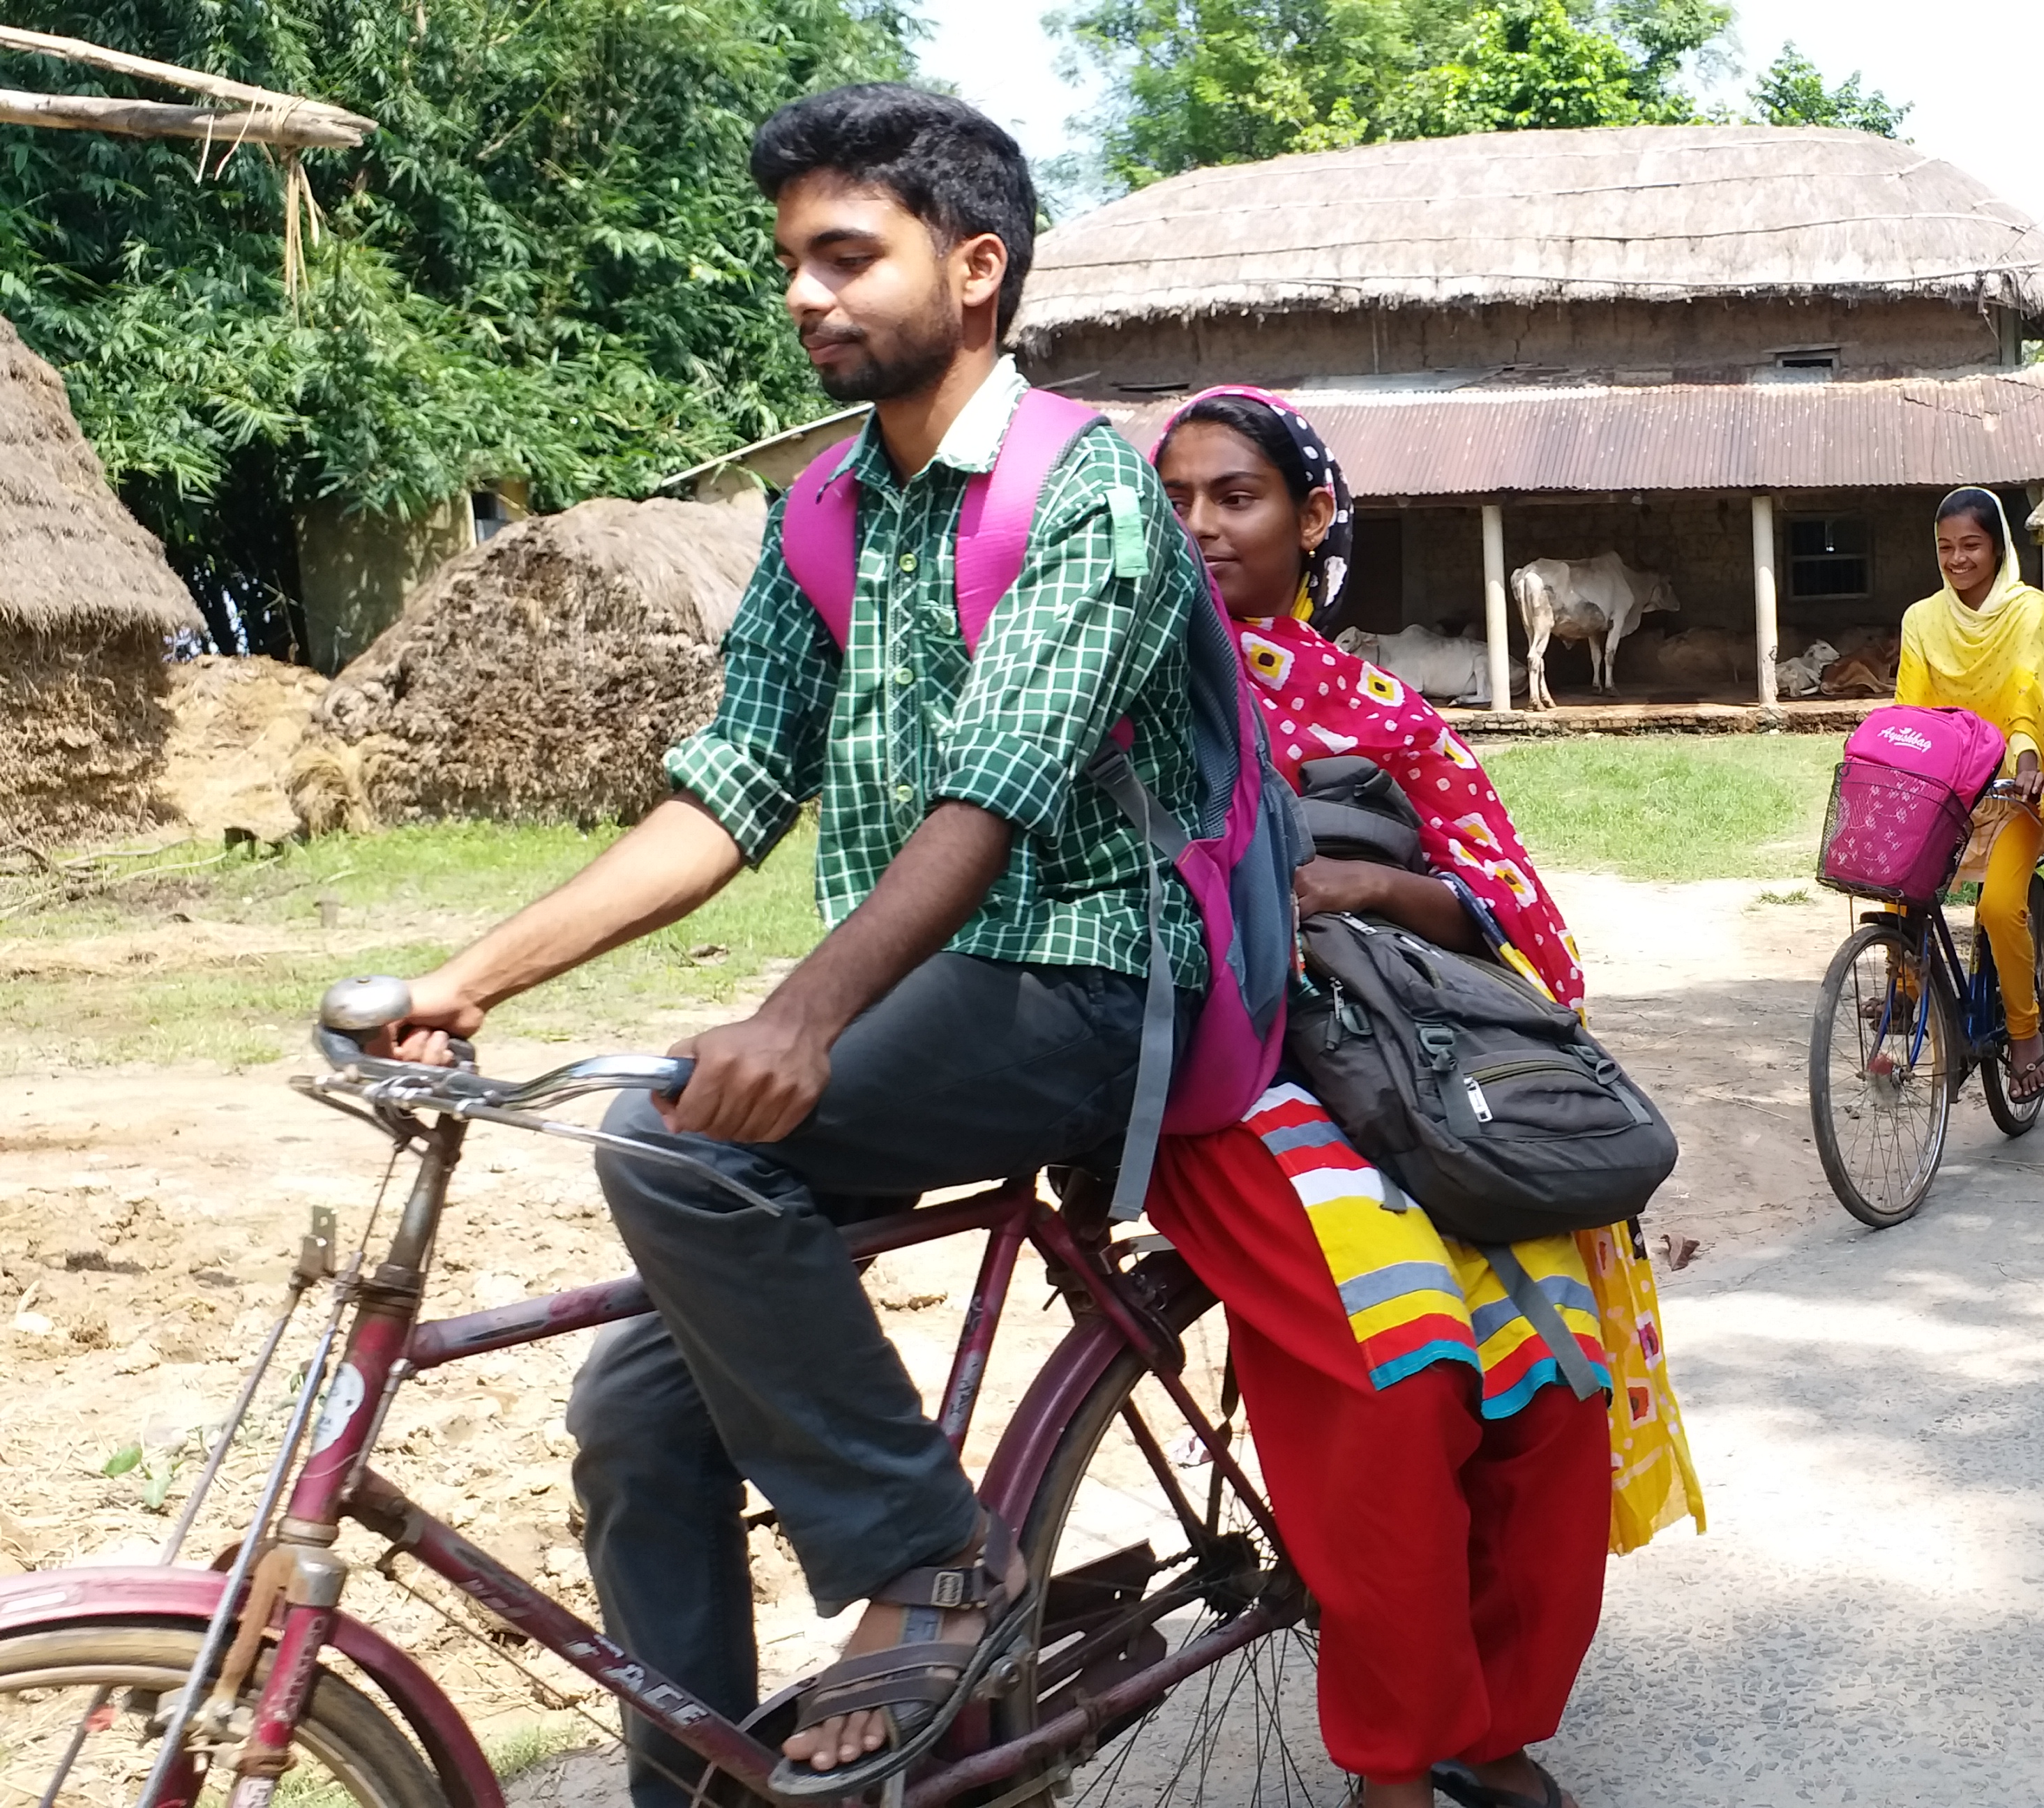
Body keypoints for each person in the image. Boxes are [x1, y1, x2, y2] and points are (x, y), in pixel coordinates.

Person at [373, 86, 1212, 1803]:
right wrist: (471, 977)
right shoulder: (826, 509)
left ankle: (934, 1559)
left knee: (672, 1143)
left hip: (1092, 977)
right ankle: (701, 1787)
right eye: (790, 264)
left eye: (848, 255)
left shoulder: (1086, 493)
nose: (805, 296)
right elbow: (731, 785)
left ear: (976, 268)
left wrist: (799, 1017)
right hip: (928, 984)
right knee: (632, 1422)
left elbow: (991, 798)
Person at [1148, 386, 1703, 1808]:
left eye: (1238, 496)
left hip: (1421, 1064)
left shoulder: (1383, 712)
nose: (1202, 525)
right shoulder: (1130, 686)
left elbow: (1531, 926)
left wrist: (1380, 886)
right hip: (1240, 1083)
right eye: (1180, 498)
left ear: (1313, 518)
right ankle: (1393, 1759)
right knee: (1411, 1370)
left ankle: (1487, 1720)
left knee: (1560, 1366)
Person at [1891, 486, 2044, 1101]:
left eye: (1971, 545)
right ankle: (1914, 994)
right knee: (1894, 885)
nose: (1957, 559)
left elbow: (2027, 687)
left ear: (1998, 547)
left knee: (2000, 908)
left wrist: (2026, 758)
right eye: (1946, 547)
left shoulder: (2028, 610)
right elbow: (1911, 706)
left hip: (2015, 787)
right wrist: (1893, 758)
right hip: (1948, 786)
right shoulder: (1921, 619)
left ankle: (2026, 1034)